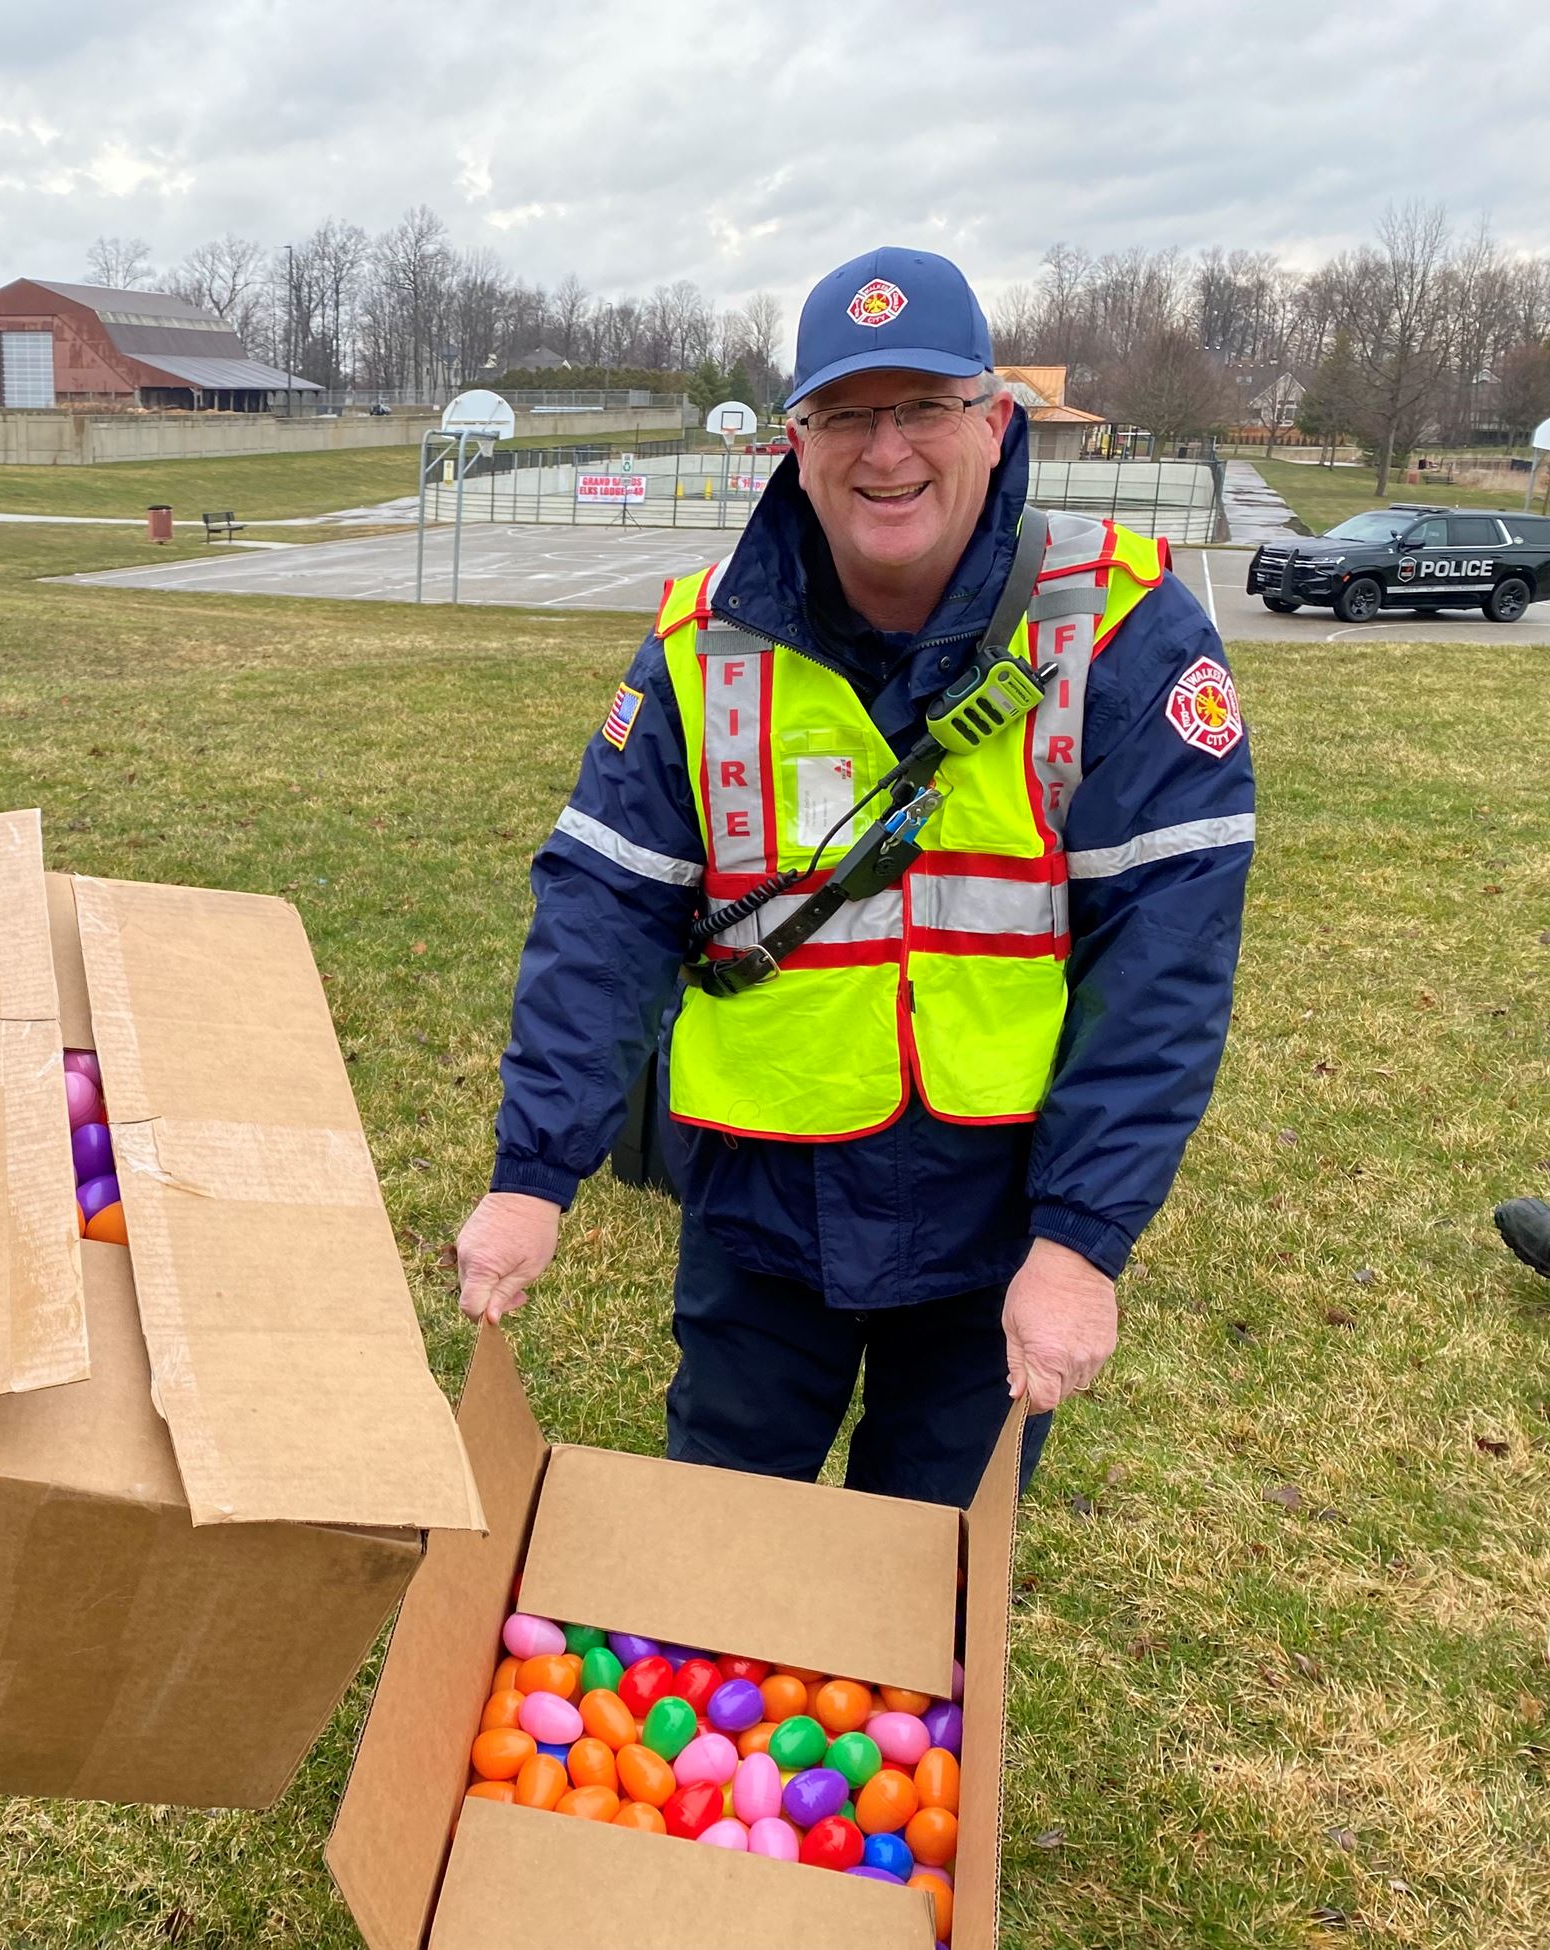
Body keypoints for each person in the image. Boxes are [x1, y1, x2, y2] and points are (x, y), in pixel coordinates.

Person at [454, 247, 1254, 1508]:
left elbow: (1162, 964)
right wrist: (529, 1174)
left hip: (1000, 1209)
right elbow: (601, 910)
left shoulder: (1123, 627)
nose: (885, 453)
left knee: (920, 1585)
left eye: (923, 408)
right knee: (720, 1547)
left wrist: (1079, 1241)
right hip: (760, 1198)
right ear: (794, 439)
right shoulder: (695, 645)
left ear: (994, 422)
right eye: (845, 415)